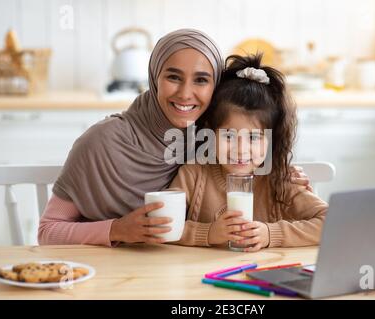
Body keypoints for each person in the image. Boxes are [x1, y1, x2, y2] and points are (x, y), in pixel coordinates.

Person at [38, 29, 311, 247]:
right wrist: (117, 229)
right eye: (173, 77)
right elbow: (47, 232)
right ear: (155, 77)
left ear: (215, 89)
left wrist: (278, 169)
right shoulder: (101, 142)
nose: (185, 93)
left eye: (201, 80)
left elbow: (248, 151)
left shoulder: (207, 139)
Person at [170, 54, 328, 252]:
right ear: (210, 133)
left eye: (253, 137)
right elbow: (163, 225)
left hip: (263, 274)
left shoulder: (281, 179)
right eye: (228, 135)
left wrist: (271, 234)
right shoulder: (193, 175)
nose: (241, 149)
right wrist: (208, 233)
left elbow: (332, 221)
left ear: (271, 140)